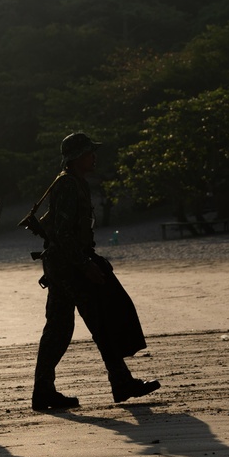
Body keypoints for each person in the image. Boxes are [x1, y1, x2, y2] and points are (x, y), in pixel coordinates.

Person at [30, 133, 160, 411]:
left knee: (60, 329)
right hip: (69, 266)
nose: (94, 157)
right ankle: (120, 382)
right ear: (77, 157)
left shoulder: (75, 183)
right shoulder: (68, 185)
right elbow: (64, 234)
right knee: (93, 324)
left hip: (65, 264)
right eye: (90, 153)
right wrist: (85, 264)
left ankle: (44, 391)